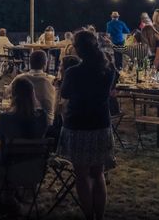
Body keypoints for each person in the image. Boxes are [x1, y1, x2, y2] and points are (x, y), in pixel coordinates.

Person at [59, 30, 115, 220]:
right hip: (100, 123)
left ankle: (89, 215)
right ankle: (99, 216)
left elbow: (64, 94)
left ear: (78, 49)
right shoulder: (108, 69)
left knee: (81, 174)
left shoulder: (73, 72)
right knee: (98, 173)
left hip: (78, 124)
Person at [5, 50, 55, 124]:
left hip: (20, 120)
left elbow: (6, 93)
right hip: (45, 124)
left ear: (30, 63)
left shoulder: (20, 78)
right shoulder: (52, 80)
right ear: (45, 64)